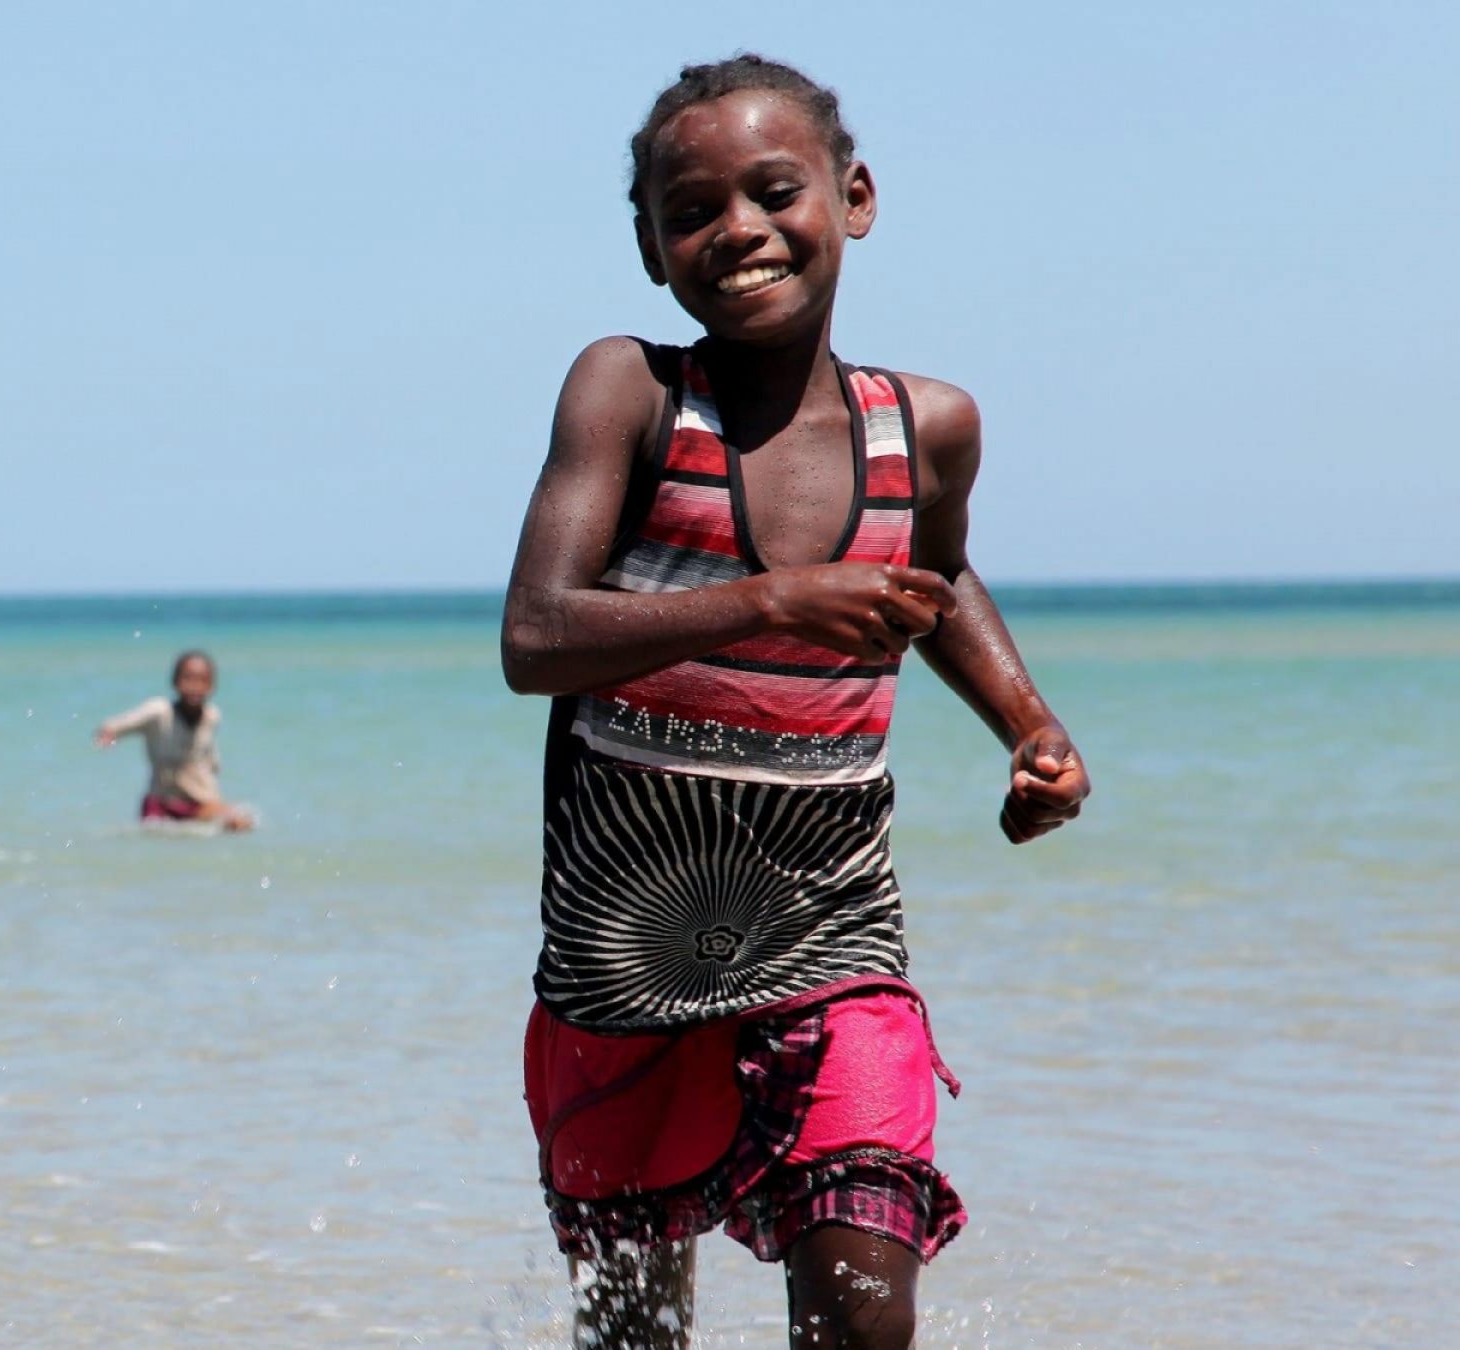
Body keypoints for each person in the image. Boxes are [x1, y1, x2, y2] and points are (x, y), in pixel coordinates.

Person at [499, 55, 1090, 1348]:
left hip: (834, 935)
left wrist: (1030, 728)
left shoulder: (925, 426)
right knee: (635, 1334)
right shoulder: (633, 394)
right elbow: (539, 635)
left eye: (777, 192)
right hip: (621, 955)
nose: (741, 232)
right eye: (694, 211)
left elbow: (935, 572)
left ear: (855, 196)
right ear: (652, 248)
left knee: (863, 1313)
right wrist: (770, 603)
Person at [94, 650, 254, 832]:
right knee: (154, 836)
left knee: (240, 822)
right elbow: (116, 725)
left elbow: (211, 757)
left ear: (212, 686)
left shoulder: (212, 716)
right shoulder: (158, 712)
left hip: (199, 801)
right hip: (161, 802)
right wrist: (108, 734)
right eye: (188, 678)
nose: (195, 686)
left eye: (202, 680)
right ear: (175, 682)